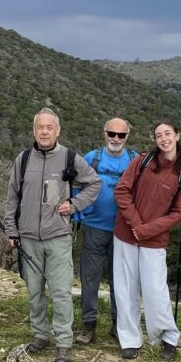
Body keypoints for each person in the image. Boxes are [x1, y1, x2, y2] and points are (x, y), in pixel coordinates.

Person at [1, 108, 101, 362]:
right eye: (40, 127)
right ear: (34, 130)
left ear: (58, 131)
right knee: (34, 291)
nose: (44, 132)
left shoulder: (70, 158)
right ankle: (40, 335)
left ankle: (64, 343)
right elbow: (12, 197)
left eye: (49, 127)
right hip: (28, 238)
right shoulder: (23, 159)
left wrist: (74, 205)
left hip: (58, 236)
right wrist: (11, 230)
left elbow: (94, 184)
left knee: (60, 292)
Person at [112, 122, 181, 360]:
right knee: (125, 289)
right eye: (159, 135)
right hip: (126, 235)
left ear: (177, 136)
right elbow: (122, 191)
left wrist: (146, 230)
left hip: (154, 240)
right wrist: (136, 225)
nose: (164, 138)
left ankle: (167, 337)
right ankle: (130, 340)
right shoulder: (143, 161)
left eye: (168, 133)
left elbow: (178, 212)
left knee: (155, 290)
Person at [73, 118, 137, 344]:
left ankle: (119, 326)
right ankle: (88, 326)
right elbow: (76, 186)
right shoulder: (92, 158)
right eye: (112, 133)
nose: (116, 139)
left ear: (127, 137)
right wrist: (79, 213)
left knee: (120, 282)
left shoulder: (135, 161)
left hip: (123, 231)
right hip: (94, 228)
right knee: (90, 279)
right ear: (104, 133)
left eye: (121, 135)